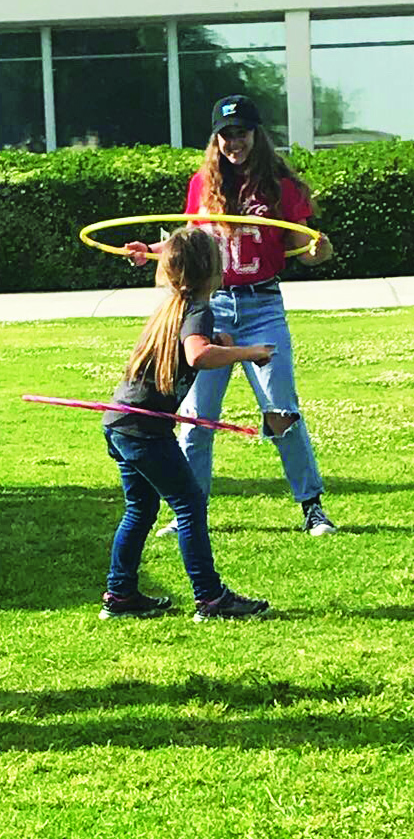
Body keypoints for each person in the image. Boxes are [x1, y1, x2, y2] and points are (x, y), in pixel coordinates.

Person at [127, 94, 336, 537]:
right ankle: (189, 512)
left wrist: (320, 250)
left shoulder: (281, 185)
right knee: (196, 418)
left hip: (263, 305)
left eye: (240, 132)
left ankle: (312, 508)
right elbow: (190, 241)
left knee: (282, 411)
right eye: (225, 134)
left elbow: (308, 249)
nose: (233, 142)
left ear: (256, 134)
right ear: (215, 139)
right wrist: (152, 252)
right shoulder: (202, 184)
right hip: (212, 308)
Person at [101, 226, 272, 622]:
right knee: (190, 505)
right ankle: (211, 599)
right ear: (213, 269)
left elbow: (193, 343)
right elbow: (196, 356)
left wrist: (222, 339)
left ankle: (120, 595)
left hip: (121, 422)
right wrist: (248, 352)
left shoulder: (173, 306)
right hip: (144, 429)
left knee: (140, 509)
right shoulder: (198, 309)